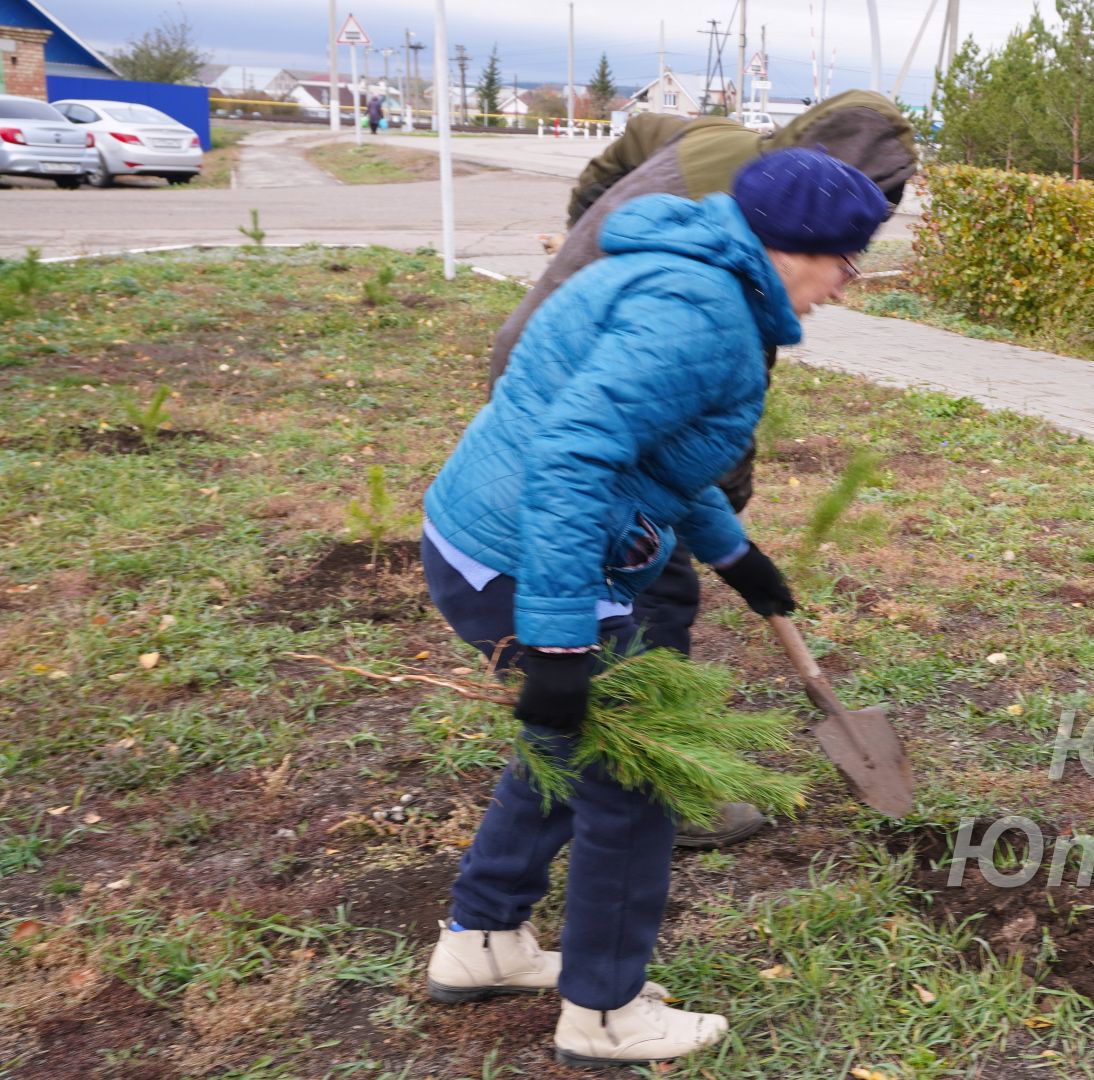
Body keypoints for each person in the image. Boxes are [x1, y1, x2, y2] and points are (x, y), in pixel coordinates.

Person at [418, 148, 890, 1066]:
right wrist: (556, 643)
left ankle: (482, 942)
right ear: (793, 246)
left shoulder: (692, 274)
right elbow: (575, 458)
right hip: (524, 558)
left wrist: (734, 553)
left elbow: (651, 455)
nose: (846, 285)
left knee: (571, 744)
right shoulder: (704, 314)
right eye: (845, 261)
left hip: (488, 538)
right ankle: (603, 1012)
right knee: (637, 779)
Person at [489, 89, 918, 849]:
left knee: (644, 565)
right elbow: (711, 412)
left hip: (556, 351)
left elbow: (626, 145)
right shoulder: (728, 275)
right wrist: (719, 508)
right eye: (845, 242)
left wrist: (587, 241)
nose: (849, 266)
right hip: (583, 391)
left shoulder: (710, 143)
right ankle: (659, 779)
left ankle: (609, 751)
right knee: (655, 586)